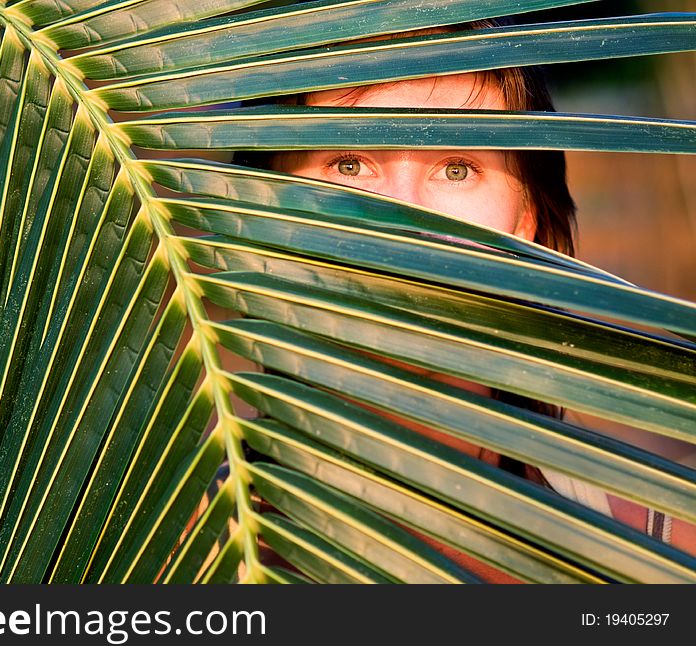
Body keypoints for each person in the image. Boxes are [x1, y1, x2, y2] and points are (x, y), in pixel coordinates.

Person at [234, 18, 696, 578]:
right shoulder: (177, 556)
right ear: (266, 215)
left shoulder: (665, 553)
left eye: (457, 169)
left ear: (523, 226)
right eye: (348, 165)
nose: (403, 220)